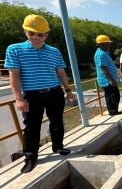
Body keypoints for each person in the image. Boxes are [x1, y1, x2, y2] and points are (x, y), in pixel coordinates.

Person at [5, 14, 76, 173]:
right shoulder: (15, 49)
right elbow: (14, 75)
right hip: (32, 94)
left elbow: (61, 72)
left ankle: (58, 147)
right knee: (31, 126)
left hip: (54, 92)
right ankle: (30, 157)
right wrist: (19, 98)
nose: (36, 37)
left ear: (46, 35)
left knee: (57, 122)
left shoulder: (54, 51)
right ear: (25, 32)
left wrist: (69, 91)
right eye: (32, 33)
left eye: (40, 34)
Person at [95, 35, 121, 116]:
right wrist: (111, 80)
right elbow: (103, 68)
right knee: (112, 96)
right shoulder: (101, 54)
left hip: (108, 79)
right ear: (101, 44)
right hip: (106, 80)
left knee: (113, 95)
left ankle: (114, 111)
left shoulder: (104, 53)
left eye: (109, 44)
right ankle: (112, 111)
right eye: (107, 44)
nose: (109, 46)